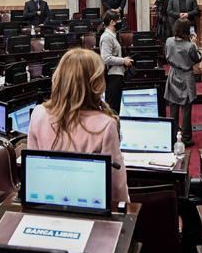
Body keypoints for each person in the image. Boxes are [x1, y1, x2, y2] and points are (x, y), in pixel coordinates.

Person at [28, 48, 129, 206]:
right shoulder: (106, 124)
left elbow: (33, 173)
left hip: (46, 205)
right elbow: (117, 188)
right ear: (96, 83)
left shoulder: (38, 113)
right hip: (90, 209)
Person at [164, 19, 202, 145]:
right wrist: (195, 44)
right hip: (186, 76)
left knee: (173, 108)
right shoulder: (190, 46)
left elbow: (166, 55)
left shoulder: (169, 41)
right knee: (186, 109)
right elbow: (198, 58)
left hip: (173, 74)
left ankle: (172, 136)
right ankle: (186, 138)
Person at [97, 10, 132, 113]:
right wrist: (123, 61)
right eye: (119, 20)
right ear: (112, 22)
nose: (121, 21)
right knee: (112, 108)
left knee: (115, 107)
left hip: (117, 73)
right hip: (112, 75)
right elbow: (106, 58)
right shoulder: (107, 37)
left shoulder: (113, 35)